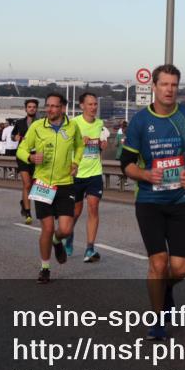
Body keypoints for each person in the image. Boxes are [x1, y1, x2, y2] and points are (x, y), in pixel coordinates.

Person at [119, 64, 185, 339]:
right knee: (158, 264)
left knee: (179, 269)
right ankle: (157, 321)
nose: (169, 90)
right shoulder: (141, 121)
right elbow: (126, 164)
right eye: (164, 84)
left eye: (174, 85)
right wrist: (146, 174)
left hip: (178, 200)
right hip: (148, 201)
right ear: (154, 87)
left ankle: (165, 290)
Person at [16, 93, 83, 284]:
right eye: (48, 106)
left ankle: (57, 241)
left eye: (54, 106)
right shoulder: (37, 126)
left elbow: (79, 146)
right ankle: (45, 268)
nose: (50, 109)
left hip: (65, 184)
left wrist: (76, 162)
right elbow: (21, 149)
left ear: (62, 108)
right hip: (43, 183)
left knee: (65, 229)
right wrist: (30, 158)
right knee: (47, 228)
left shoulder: (72, 126)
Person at [70, 92, 108, 262]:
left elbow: (100, 147)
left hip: (94, 172)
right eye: (90, 104)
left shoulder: (100, 124)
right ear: (82, 106)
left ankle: (90, 248)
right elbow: (65, 144)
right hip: (76, 173)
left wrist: (101, 146)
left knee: (93, 207)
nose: (93, 107)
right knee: (76, 211)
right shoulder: (73, 124)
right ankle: (68, 234)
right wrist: (78, 141)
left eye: (95, 104)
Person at [11, 99, 40, 224]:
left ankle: (24, 201)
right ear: (25, 109)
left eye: (34, 107)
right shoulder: (20, 122)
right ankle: (28, 213)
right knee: (27, 184)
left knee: (34, 185)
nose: (32, 109)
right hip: (23, 156)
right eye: (29, 107)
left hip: (37, 156)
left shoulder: (41, 123)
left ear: (37, 109)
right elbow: (13, 135)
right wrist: (15, 137)